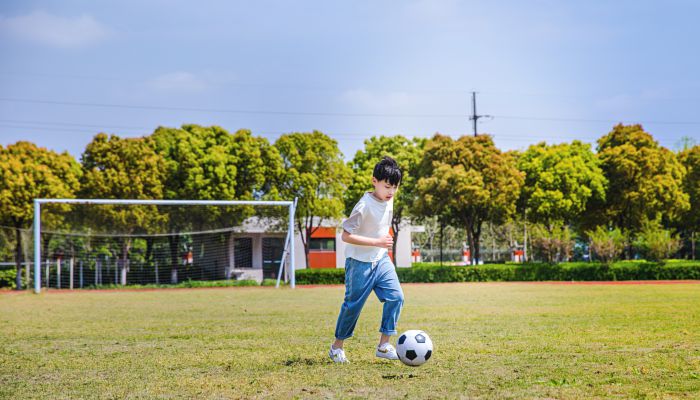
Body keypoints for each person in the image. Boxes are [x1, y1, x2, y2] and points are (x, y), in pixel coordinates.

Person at [329, 156, 404, 363]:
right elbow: (345, 236)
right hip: (359, 263)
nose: (391, 192)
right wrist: (377, 242)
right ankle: (337, 347)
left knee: (396, 297)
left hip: (381, 260)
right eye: (387, 186)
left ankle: (384, 345)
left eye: (395, 187)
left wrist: (382, 244)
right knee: (352, 306)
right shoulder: (363, 206)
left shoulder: (389, 198)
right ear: (374, 181)